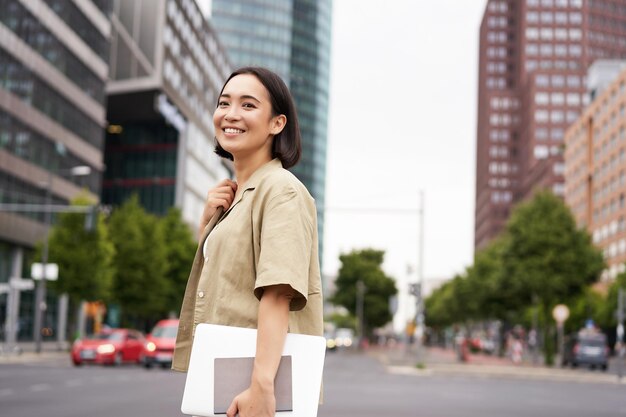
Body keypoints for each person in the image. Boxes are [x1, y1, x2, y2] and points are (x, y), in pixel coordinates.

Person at [172, 67, 324, 417]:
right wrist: (207, 225)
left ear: (277, 123)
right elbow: (225, 285)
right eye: (224, 102)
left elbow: (278, 292)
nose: (231, 114)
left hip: (251, 383)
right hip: (223, 376)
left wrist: (262, 386)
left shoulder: (281, 190)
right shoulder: (234, 197)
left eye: (248, 105)